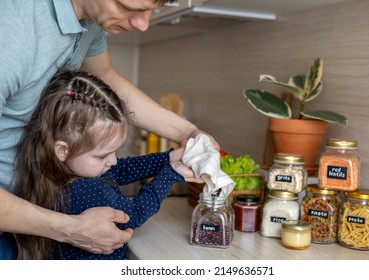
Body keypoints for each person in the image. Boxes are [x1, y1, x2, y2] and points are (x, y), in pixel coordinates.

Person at [0, 0, 218, 259]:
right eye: (132, 6)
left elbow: (105, 75)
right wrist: (69, 228)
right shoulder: (11, 28)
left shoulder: (90, 19)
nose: (143, 24)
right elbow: (132, 212)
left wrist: (187, 133)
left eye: (152, 9)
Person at [14, 68, 199, 260]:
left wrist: (167, 159)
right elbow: (134, 214)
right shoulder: (87, 190)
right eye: (102, 156)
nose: (112, 161)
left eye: (114, 151)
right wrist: (171, 173)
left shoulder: (60, 173)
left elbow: (123, 168)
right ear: (62, 150)